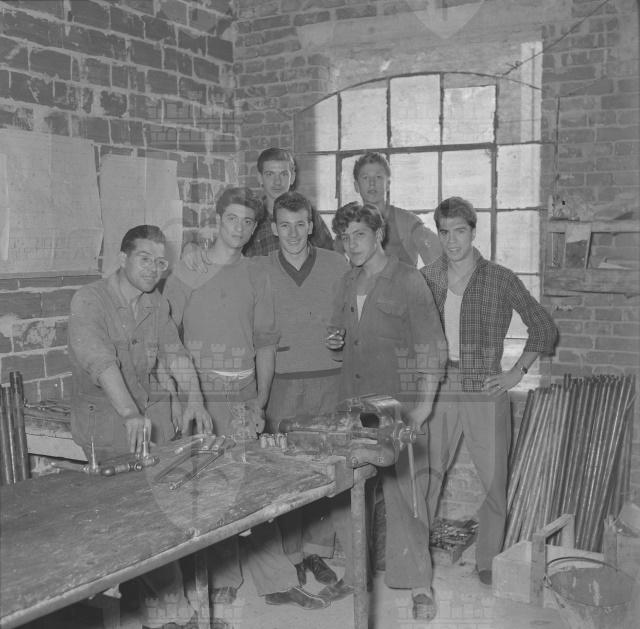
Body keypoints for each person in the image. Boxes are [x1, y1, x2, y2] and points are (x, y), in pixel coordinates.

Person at [163, 187, 328, 614]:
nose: (239, 228)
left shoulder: (257, 274)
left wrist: (260, 400)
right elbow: (165, 336)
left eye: (248, 222)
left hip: (243, 393)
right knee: (212, 490)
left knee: (254, 489)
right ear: (217, 219)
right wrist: (180, 396)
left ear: (256, 229)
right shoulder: (190, 268)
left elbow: (266, 343)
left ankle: (276, 580)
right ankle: (222, 581)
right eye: (232, 218)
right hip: (203, 394)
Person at [68, 224, 213, 629]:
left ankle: (168, 614)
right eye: (144, 258)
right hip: (107, 426)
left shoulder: (156, 302)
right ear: (122, 259)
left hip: (151, 423)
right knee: (129, 526)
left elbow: (176, 354)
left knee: (162, 519)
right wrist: (129, 412)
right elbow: (100, 360)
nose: (153, 268)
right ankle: (170, 614)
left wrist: (195, 399)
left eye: (160, 262)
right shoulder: (90, 300)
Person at [421, 197, 558, 587]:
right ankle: (417, 560)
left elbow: (543, 327)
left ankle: (488, 561)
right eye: (444, 232)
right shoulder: (426, 278)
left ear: (473, 232)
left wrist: (516, 373)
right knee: (427, 477)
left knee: (494, 482)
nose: (452, 240)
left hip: (485, 387)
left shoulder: (500, 277)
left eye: (459, 231)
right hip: (439, 388)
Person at [327, 202, 447, 621]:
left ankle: (420, 585)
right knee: (351, 494)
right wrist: (335, 342)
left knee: (406, 499)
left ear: (378, 235)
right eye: (345, 237)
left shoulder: (409, 279)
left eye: (359, 235)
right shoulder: (346, 281)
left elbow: (433, 349)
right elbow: (339, 340)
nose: (350, 244)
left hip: (398, 408)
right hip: (353, 406)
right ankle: (355, 574)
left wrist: (423, 408)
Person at [263, 191, 350, 597]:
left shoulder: (336, 263)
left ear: (311, 225)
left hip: (329, 379)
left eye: (301, 224)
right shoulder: (260, 268)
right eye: (285, 225)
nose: (294, 233)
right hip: (282, 382)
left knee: (323, 469)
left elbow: (353, 314)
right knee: (286, 473)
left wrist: (342, 336)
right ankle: (292, 555)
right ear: (274, 228)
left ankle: (316, 552)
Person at [336, 152, 442, 267]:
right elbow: (335, 264)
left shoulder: (407, 222)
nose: (372, 183)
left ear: (387, 184)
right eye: (365, 178)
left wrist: (418, 278)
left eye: (378, 177)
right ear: (356, 186)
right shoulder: (348, 224)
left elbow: (439, 261)